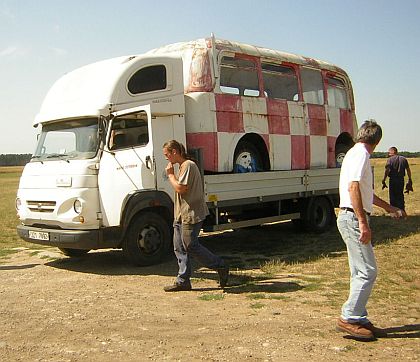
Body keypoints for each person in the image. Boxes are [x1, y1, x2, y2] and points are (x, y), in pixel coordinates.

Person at [336, 120, 407, 340]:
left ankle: (358, 316)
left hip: (350, 216)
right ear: (377, 141)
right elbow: (353, 187)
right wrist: (363, 222)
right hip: (353, 218)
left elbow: (366, 194)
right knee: (368, 271)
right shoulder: (361, 155)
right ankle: (349, 317)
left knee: (360, 271)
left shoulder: (354, 153)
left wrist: (390, 208)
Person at [162, 140, 229, 292]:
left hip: (190, 213)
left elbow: (181, 188)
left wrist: (170, 175)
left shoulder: (188, 166)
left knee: (191, 246)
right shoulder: (183, 166)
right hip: (180, 215)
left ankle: (220, 265)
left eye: (167, 154)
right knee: (179, 248)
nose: (166, 158)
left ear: (174, 152)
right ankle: (183, 280)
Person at [381, 146, 413, 211]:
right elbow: (408, 170)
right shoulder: (403, 159)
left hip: (393, 180)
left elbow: (387, 170)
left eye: (389, 153)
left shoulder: (390, 160)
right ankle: (401, 210)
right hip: (401, 180)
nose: (388, 154)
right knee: (400, 195)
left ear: (392, 152)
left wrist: (384, 179)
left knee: (392, 195)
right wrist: (409, 178)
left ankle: (394, 211)